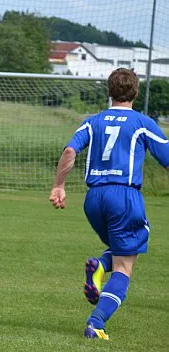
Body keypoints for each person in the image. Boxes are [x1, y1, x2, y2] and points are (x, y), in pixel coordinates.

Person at [49, 68, 169, 340]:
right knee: (125, 264)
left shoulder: (93, 121)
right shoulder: (142, 123)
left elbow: (70, 151)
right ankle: (97, 322)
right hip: (124, 196)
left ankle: (101, 266)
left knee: (119, 250)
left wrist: (59, 186)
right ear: (135, 92)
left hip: (93, 199)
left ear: (109, 91)